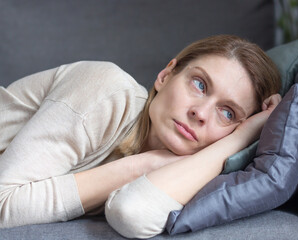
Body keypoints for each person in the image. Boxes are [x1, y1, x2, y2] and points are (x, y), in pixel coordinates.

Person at [0, 35, 281, 238]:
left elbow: (133, 212)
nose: (201, 113)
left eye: (228, 114)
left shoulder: (195, 170)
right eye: (199, 84)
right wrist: (143, 164)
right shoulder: (107, 91)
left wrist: (240, 139)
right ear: (166, 75)